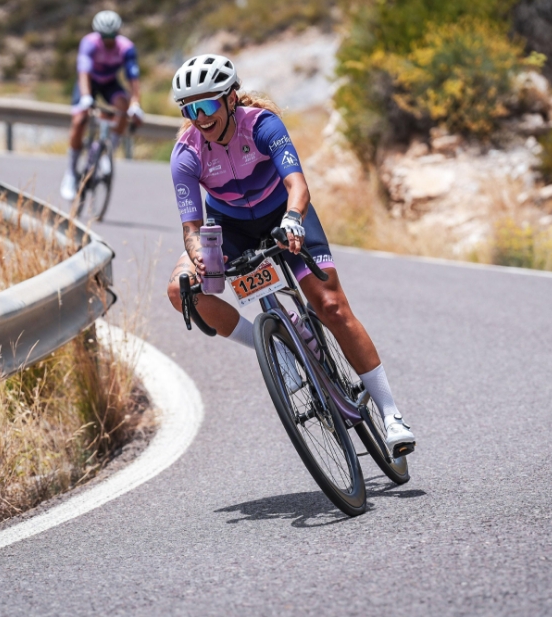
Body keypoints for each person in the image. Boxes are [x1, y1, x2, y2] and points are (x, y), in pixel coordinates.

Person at [165, 54, 416, 453]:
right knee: (182, 291)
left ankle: (390, 414)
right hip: (229, 229)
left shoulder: (262, 125)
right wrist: (197, 256)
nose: (200, 116)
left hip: (285, 214)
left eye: (208, 104)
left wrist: (294, 219)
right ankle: (278, 349)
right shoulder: (186, 154)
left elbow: (297, 185)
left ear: (231, 99)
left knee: (331, 305)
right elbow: (191, 228)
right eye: (190, 108)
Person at [60, 10, 143, 202]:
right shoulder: (89, 43)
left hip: (109, 83)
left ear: (118, 33)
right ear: (98, 34)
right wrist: (87, 97)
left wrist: (136, 103)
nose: (108, 40)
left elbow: (133, 78)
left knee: (123, 107)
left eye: (112, 36)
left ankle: (106, 152)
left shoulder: (126, 47)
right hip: (89, 82)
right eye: (104, 36)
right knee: (80, 119)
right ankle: (70, 174)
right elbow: (83, 72)